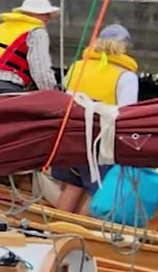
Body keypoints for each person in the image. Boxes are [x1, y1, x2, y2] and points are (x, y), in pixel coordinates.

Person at [53, 25, 138, 214]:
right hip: (99, 139)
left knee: (72, 185)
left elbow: (65, 95)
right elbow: (127, 113)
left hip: (70, 133)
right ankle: (80, 235)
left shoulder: (78, 67)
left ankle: (53, 231)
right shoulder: (126, 77)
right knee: (95, 190)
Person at [0, 0, 60, 96]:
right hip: (5, 87)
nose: (48, 18)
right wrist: (52, 93)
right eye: (45, 14)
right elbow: (41, 70)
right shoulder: (36, 32)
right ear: (32, 13)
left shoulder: (1, 27)